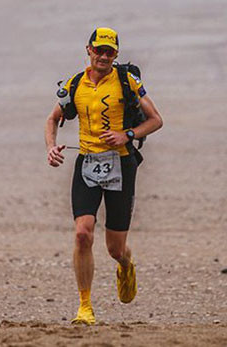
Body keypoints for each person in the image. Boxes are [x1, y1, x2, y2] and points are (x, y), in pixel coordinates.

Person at [44, 27, 163, 325]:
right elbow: (53, 119)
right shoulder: (75, 84)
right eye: (99, 50)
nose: (104, 56)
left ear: (116, 55)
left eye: (110, 52)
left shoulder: (127, 82)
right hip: (86, 164)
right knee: (82, 234)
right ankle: (85, 307)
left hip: (120, 166)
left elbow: (156, 120)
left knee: (114, 248)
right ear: (89, 50)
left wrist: (128, 134)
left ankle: (125, 264)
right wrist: (50, 147)